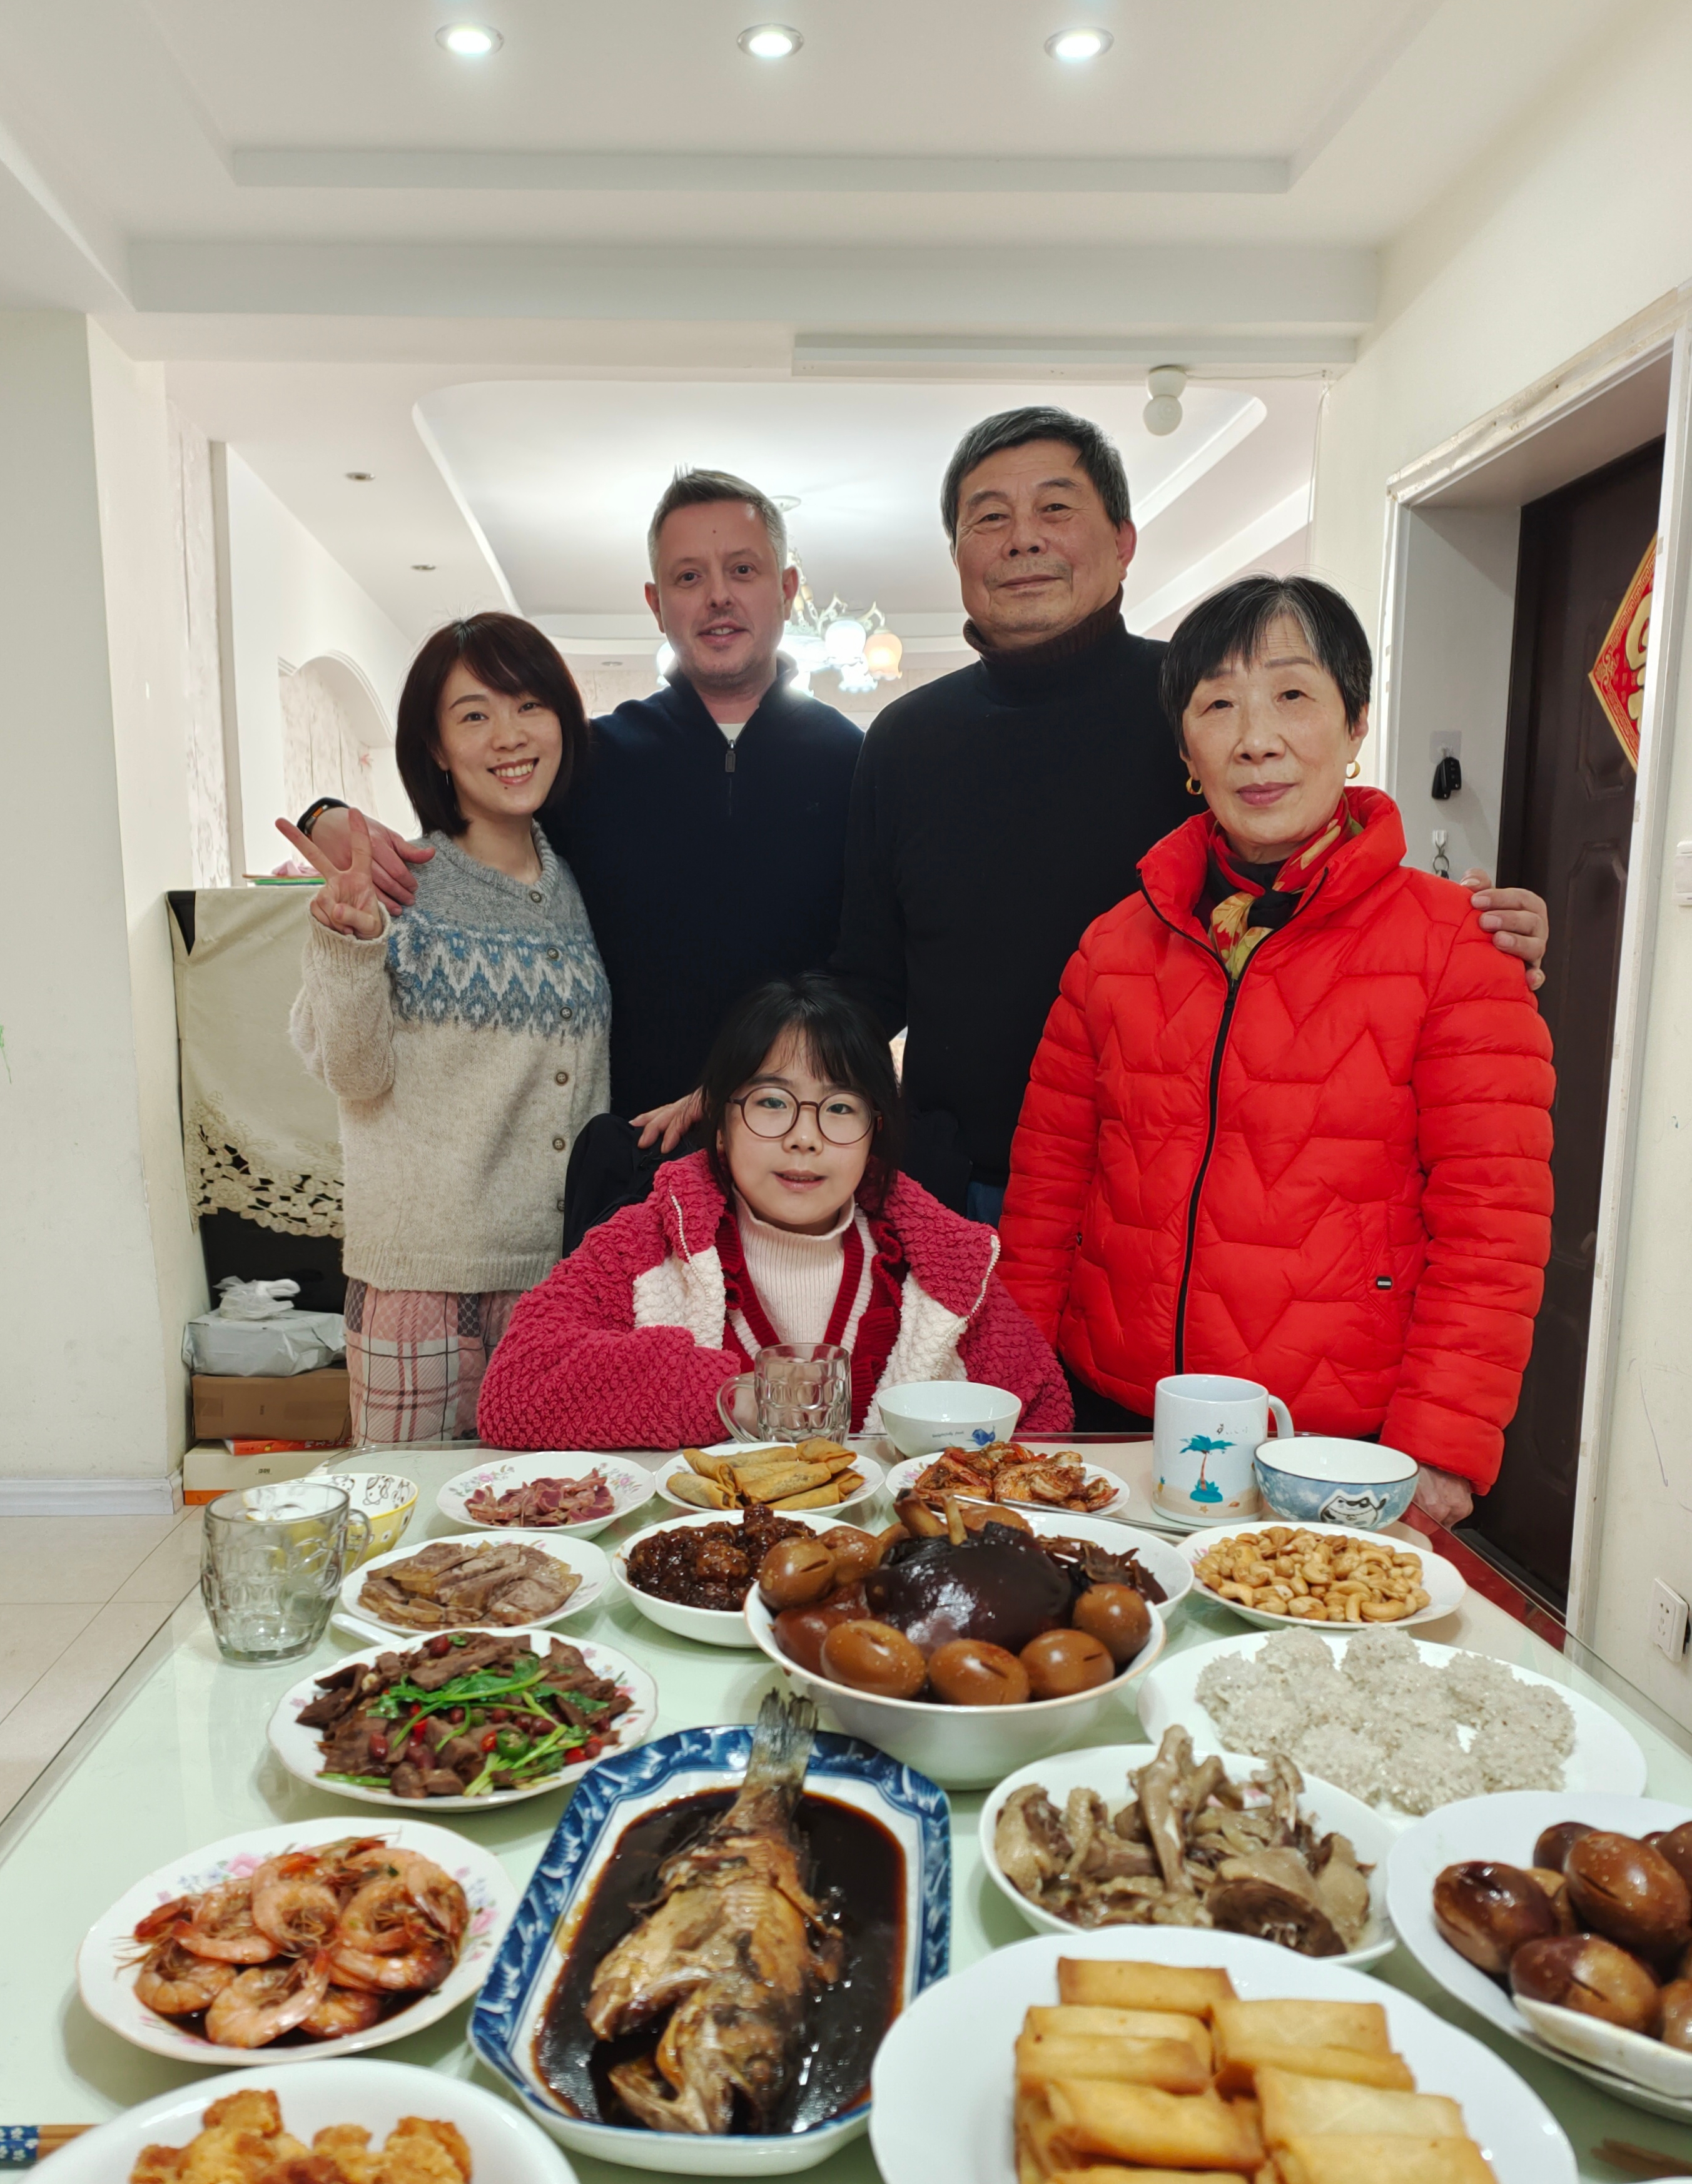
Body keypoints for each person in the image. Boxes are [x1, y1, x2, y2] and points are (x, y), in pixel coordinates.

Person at [830, 405, 1549, 1221]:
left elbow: (1318, 890)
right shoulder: (905, 739)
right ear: (957, 554)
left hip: (1177, 1191)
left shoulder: (1207, 703)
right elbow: (868, 982)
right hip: (958, 1192)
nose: (1023, 539)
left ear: (1123, 541)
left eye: (1055, 508)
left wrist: (1464, 946)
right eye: (988, 518)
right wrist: (767, 1091)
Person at [995, 574, 1556, 1530]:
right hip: (1109, 1420)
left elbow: (1492, 1223)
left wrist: (1439, 1448)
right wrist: (1019, 1392)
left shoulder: (1454, 943)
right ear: (1186, 750)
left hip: (1335, 1445)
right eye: (1218, 705)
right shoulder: (1111, 948)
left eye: (1292, 694)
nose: (1256, 738)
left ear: (1355, 721)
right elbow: (1047, 1193)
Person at [299, 468, 862, 1128]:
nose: (717, 597)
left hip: (805, 1137)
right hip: (621, 1147)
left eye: (742, 570)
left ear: (787, 589)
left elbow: (877, 975)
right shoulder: (592, 759)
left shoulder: (858, 762)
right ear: (655, 603)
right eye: (688, 577)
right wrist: (325, 818)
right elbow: (476, 847)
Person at [475, 976, 1070, 1450]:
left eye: (839, 1108)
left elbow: (1045, 1414)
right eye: (771, 1102)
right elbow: (513, 1390)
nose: (803, 1138)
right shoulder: (643, 1242)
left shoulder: (941, 1267)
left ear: (876, 1131)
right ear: (720, 1124)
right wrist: (730, 1397)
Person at [282, 612, 609, 1445]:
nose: (509, 735)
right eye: (473, 714)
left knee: (548, 1512)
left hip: (556, 1282)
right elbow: (353, 1075)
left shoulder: (579, 883)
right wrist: (348, 945)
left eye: (529, 705)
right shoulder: (398, 885)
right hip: (420, 1288)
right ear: (434, 745)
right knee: (410, 1519)